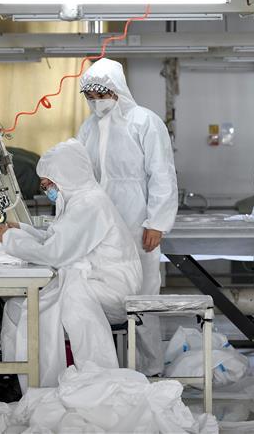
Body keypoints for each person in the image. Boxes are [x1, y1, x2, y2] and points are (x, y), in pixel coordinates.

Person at [0, 139, 142, 395]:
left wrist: (10, 240)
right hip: (92, 280)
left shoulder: (89, 204)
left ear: (67, 176)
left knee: (42, 310)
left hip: (108, 286)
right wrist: (23, 230)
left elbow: (56, 253)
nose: (47, 189)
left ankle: (51, 384)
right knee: (16, 307)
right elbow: (58, 237)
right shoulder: (78, 199)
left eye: (49, 183)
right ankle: (18, 377)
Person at [76, 58, 178, 375]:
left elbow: (162, 173)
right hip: (100, 227)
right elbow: (80, 172)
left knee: (143, 294)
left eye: (101, 95)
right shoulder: (89, 128)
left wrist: (157, 223)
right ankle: (106, 365)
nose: (97, 102)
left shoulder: (144, 122)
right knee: (100, 292)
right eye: (90, 97)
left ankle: (149, 365)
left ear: (117, 89)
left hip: (136, 223)